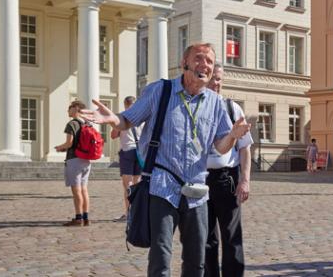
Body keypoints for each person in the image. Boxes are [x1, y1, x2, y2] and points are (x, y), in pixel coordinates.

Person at [83, 42, 251, 277]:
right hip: (162, 186)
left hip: (197, 190)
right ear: (184, 63)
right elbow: (128, 120)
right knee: (161, 257)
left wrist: (233, 135)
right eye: (199, 58)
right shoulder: (159, 91)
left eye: (210, 61)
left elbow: (221, 147)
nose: (205, 65)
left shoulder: (215, 103)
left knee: (196, 261)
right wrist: (113, 119)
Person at [204, 64, 253, 277]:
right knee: (205, 238)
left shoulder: (233, 109)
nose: (217, 83)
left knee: (232, 236)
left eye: (219, 79)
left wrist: (245, 180)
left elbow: (245, 149)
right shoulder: (194, 109)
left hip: (226, 178)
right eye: (213, 78)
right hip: (199, 180)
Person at [54, 100, 93, 226]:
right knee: (84, 190)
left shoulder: (72, 124)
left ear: (76, 108)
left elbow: (69, 143)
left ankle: (78, 218)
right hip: (86, 160)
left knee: (76, 191)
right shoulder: (87, 124)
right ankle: (86, 217)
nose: (67, 110)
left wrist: (60, 147)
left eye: (69, 108)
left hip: (74, 160)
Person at [111, 95, 143, 222]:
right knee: (138, 183)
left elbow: (113, 135)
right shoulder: (142, 116)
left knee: (128, 185)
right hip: (140, 152)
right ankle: (138, 213)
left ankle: (129, 214)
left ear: (125, 104)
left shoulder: (122, 117)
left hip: (127, 151)